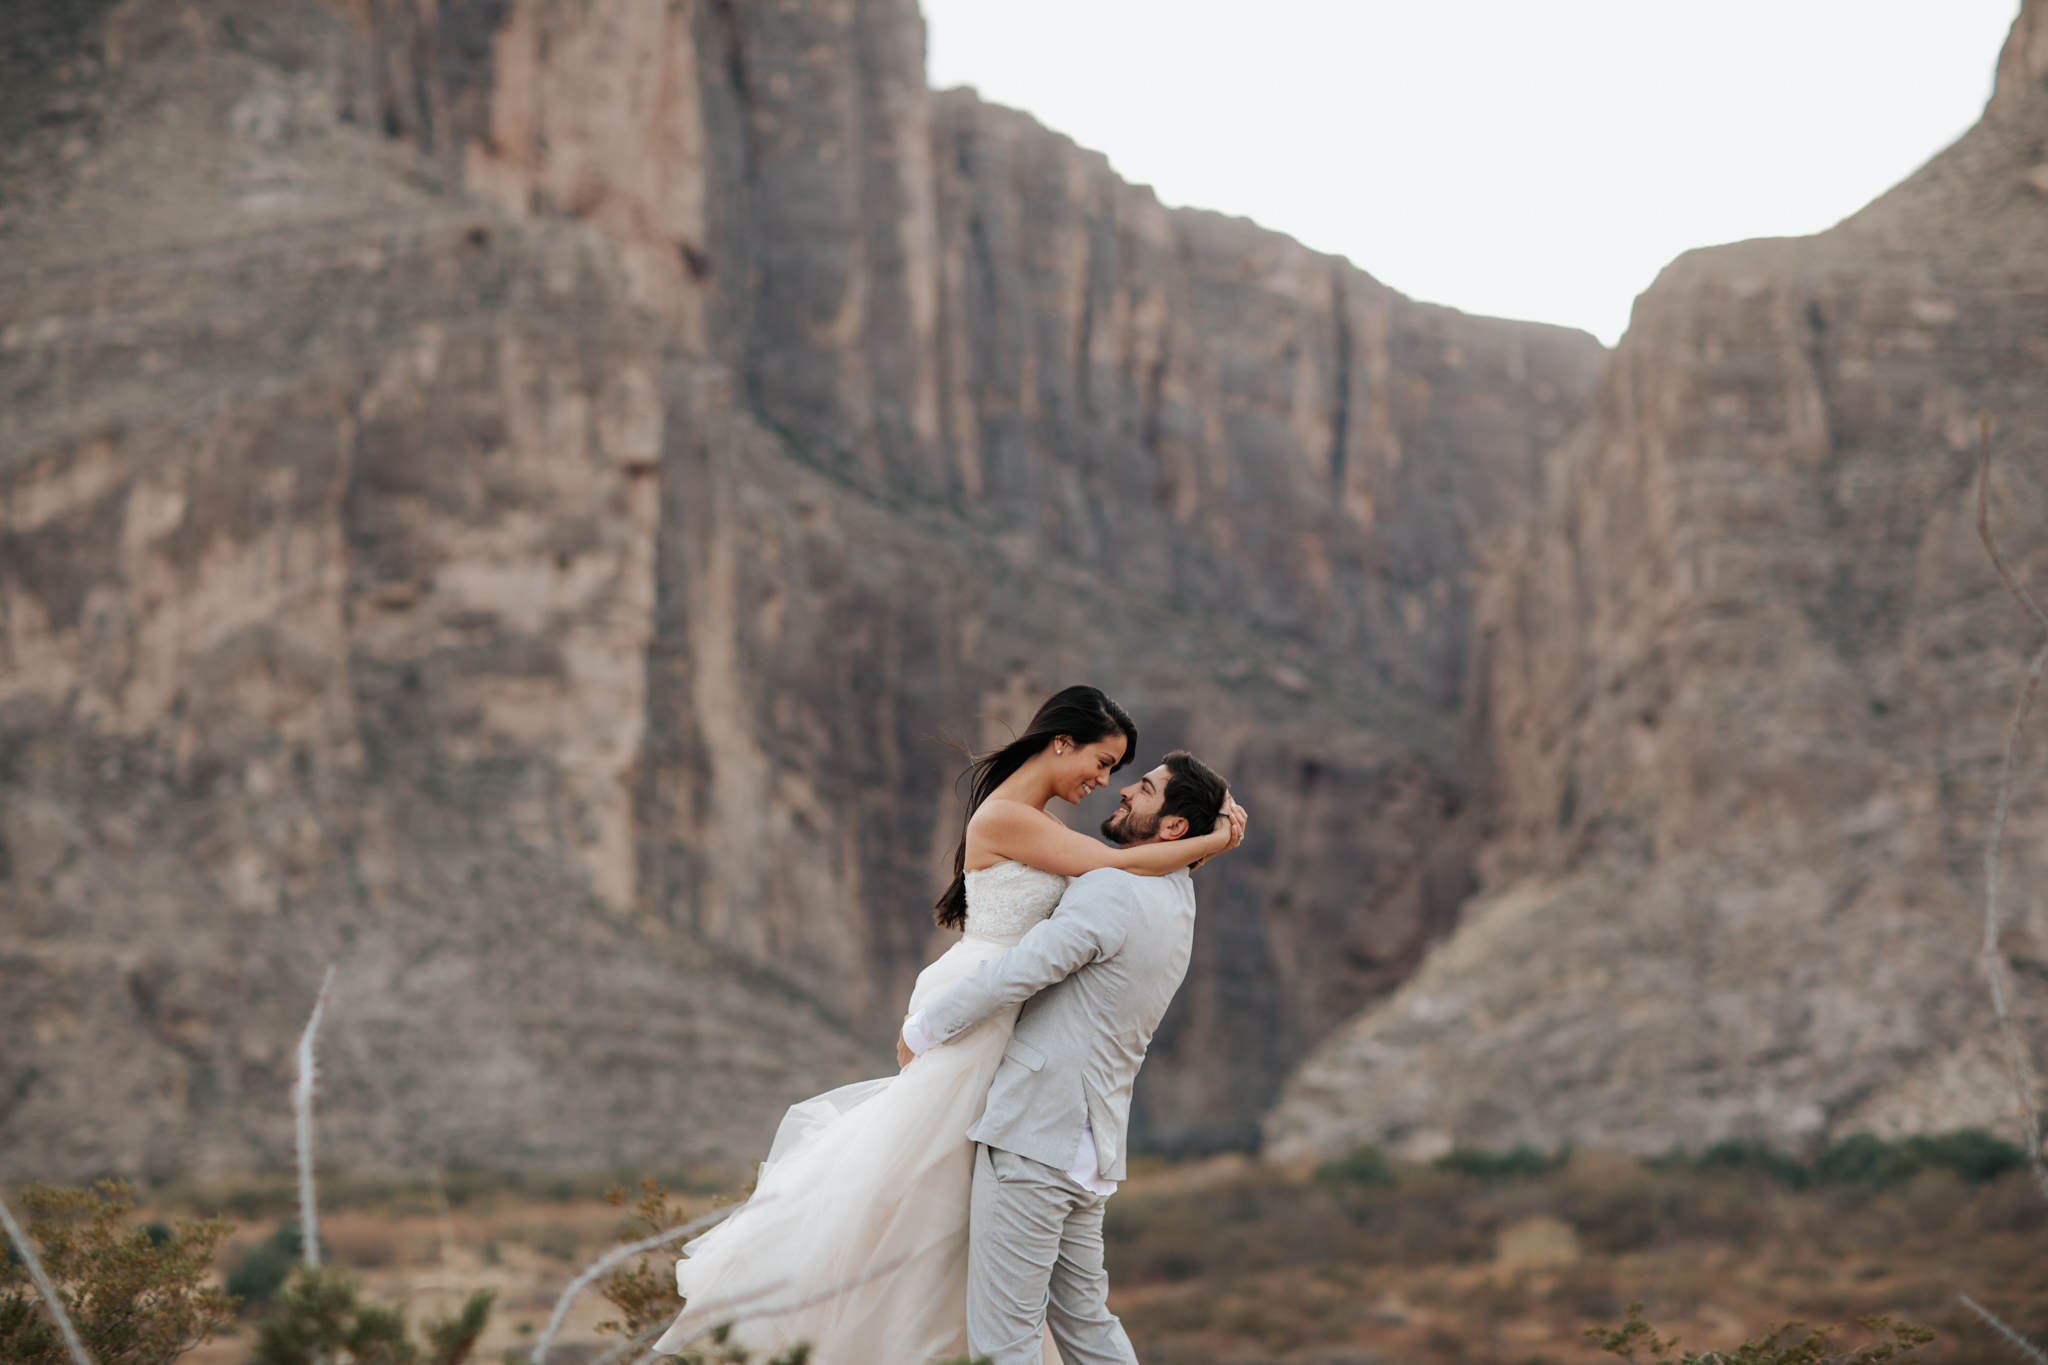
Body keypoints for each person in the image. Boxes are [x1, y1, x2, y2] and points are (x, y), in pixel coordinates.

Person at [652, 685, 1245, 1363]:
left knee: (973, 1258)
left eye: (1125, 777)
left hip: (1009, 1046)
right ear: (1062, 742)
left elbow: (1104, 882)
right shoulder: (1028, 828)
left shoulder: (1090, 856)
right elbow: (1112, 871)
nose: (1107, 784)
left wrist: (1203, 841)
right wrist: (1209, 844)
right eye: (1106, 763)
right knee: (918, 1208)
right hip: (988, 1018)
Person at [900, 746, 1231, 1365]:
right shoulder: (1178, 902)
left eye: (1147, 789)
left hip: (1037, 1137)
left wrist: (926, 1028)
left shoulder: (1113, 890)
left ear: (1174, 829)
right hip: (1090, 1148)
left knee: (1005, 1343)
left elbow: (1022, 970)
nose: (1126, 790)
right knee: (1088, 1327)